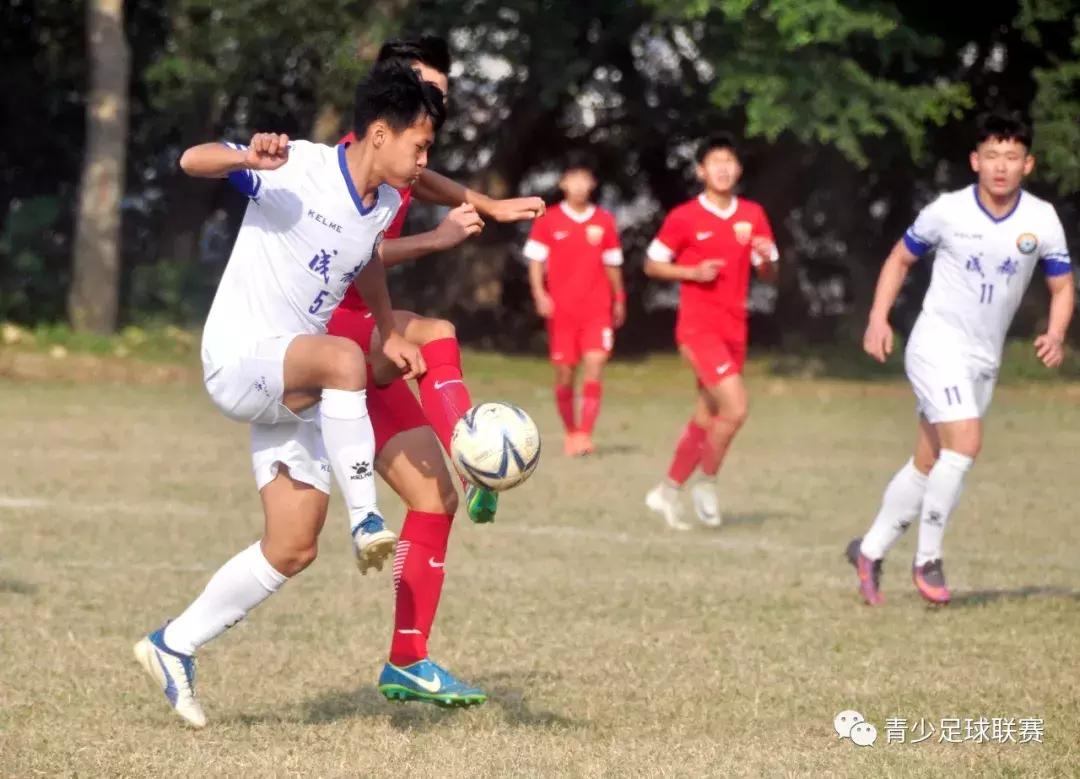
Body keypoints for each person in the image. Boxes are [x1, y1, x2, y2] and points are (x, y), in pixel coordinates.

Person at [133, 62, 453, 728]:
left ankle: (173, 643)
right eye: (420, 146)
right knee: (345, 358)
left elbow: (365, 260)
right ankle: (367, 520)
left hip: (292, 378)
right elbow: (192, 160)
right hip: (240, 358)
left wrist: (391, 330)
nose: (425, 161)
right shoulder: (299, 168)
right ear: (379, 133)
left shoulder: (383, 204)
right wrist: (245, 156)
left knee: (292, 544)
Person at [326, 36, 543, 707]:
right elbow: (355, 252)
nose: (437, 110)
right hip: (328, 332)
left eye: (442, 98)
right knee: (437, 331)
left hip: (364, 324)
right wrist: (439, 238)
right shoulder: (347, 168)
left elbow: (424, 182)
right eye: (429, 95)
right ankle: (473, 453)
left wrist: (492, 205)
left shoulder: (400, 162)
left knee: (433, 502)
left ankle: (407, 659)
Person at [847, 111, 1073, 606]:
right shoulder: (947, 211)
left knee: (930, 460)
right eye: (991, 155)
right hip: (936, 343)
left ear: (1028, 164)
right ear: (975, 161)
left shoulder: (1041, 219)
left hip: (983, 357)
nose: (1001, 166)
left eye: (1011, 157)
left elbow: (1061, 286)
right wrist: (878, 318)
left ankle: (868, 550)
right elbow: (899, 258)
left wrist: (1056, 333)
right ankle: (927, 558)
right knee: (966, 442)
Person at [642, 134, 779, 530]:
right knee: (735, 408)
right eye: (715, 161)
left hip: (735, 328)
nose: (723, 168)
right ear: (701, 171)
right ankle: (707, 481)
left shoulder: (753, 214)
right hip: (697, 328)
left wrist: (766, 260)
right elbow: (651, 264)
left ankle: (667, 491)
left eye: (729, 161)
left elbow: (769, 273)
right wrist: (691, 272)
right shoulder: (684, 216)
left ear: (738, 169)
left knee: (709, 414)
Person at [525, 157, 625, 455]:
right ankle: (570, 431)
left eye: (585, 179)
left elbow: (613, 264)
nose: (579, 185)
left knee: (595, 365)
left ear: (592, 184)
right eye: (573, 178)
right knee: (565, 373)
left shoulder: (604, 221)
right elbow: (535, 261)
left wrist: (619, 298)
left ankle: (584, 435)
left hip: (597, 310)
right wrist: (539, 294)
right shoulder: (549, 219)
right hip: (562, 311)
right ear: (563, 183)